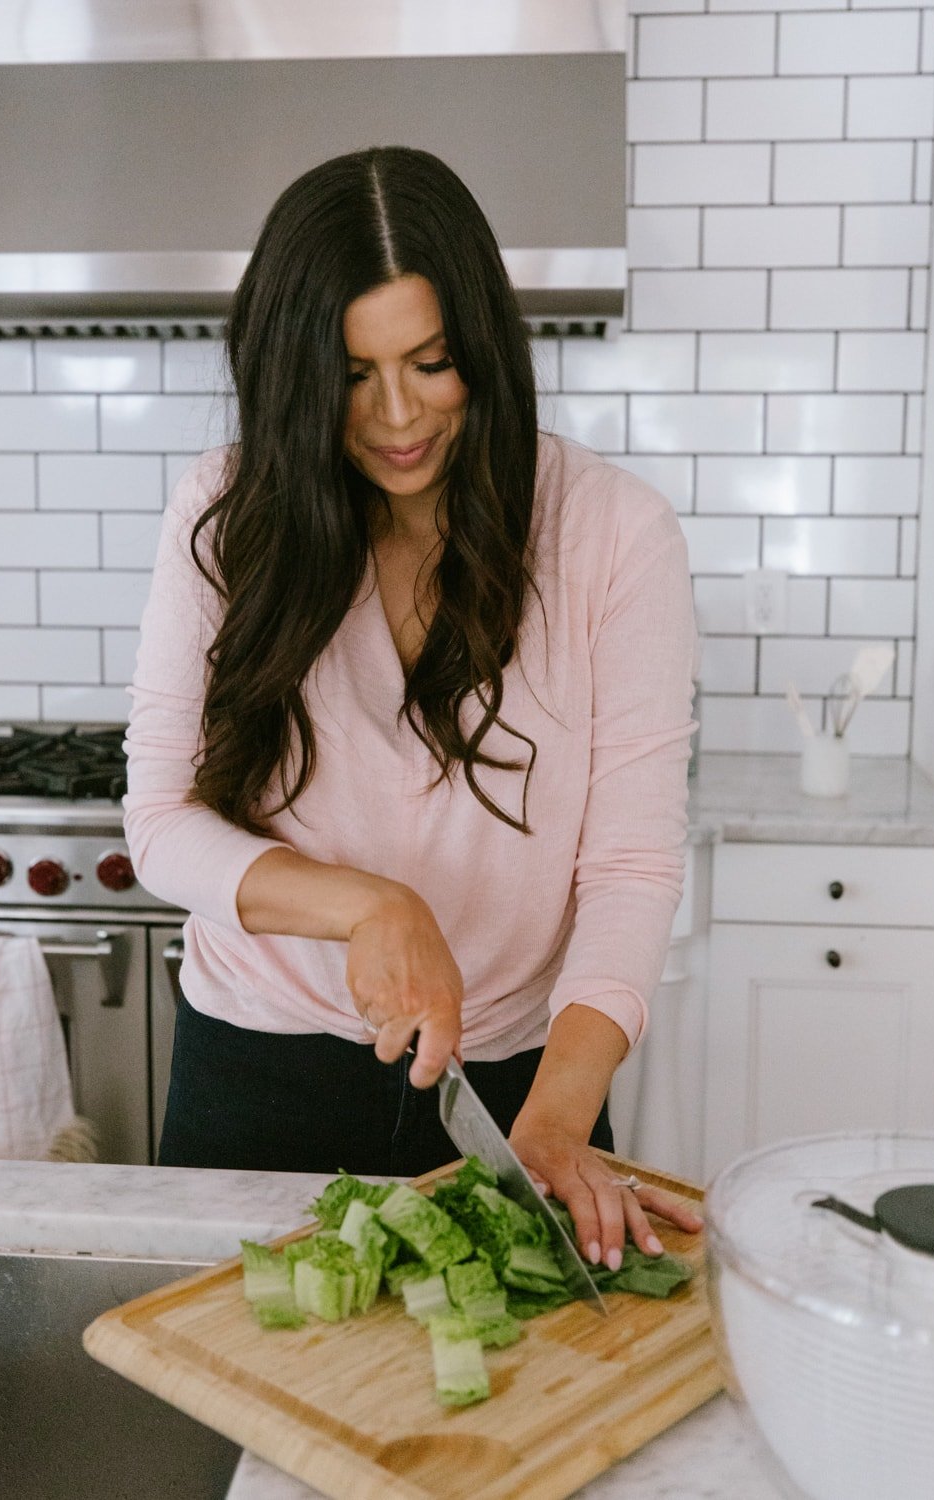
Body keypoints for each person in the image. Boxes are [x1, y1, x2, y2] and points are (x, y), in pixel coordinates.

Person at [124, 145, 703, 1271]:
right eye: (351, 375)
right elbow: (160, 825)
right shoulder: (226, 513)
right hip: (256, 1072)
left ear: (483, 344)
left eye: (432, 363)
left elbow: (631, 870)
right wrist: (367, 907)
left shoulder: (614, 534)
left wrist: (554, 1119)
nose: (398, 416)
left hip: (524, 1087)